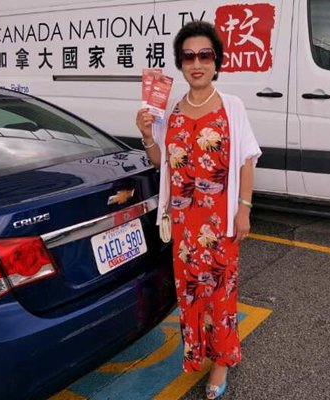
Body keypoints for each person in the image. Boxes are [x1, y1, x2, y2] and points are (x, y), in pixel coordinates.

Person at [136, 20, 261, 400]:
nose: (197, 63)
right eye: (188, 56)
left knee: (220, 294)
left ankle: (222, 361)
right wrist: (146, 135)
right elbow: (161, 163)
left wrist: (244, 209)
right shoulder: (171, 112)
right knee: (191, 294)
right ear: (180, 63)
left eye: (205, 55)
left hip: (220, 222)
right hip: (184, 224)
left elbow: (247, 159)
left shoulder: (231, 107)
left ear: (216, 61)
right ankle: (198, 353)